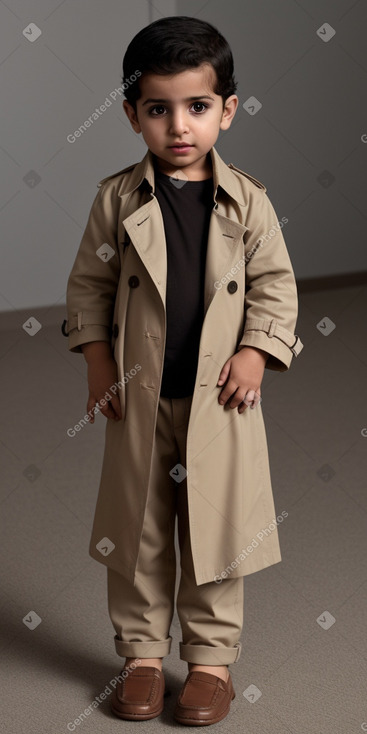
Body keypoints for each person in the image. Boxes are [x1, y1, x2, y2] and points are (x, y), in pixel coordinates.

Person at [63, 15, 304, 726]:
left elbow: (277, 288)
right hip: (138, 398)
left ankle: (208, 662)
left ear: (226, 110)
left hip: (219, 403)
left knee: (217, 534)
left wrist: (256, 351)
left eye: (197, 107)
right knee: (136, 533)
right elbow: (88, 290)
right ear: (133, 113)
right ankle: (140, 656)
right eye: (158, 109)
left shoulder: (249, 201)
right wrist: (98, 362)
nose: (179, 126)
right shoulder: (116, 200)